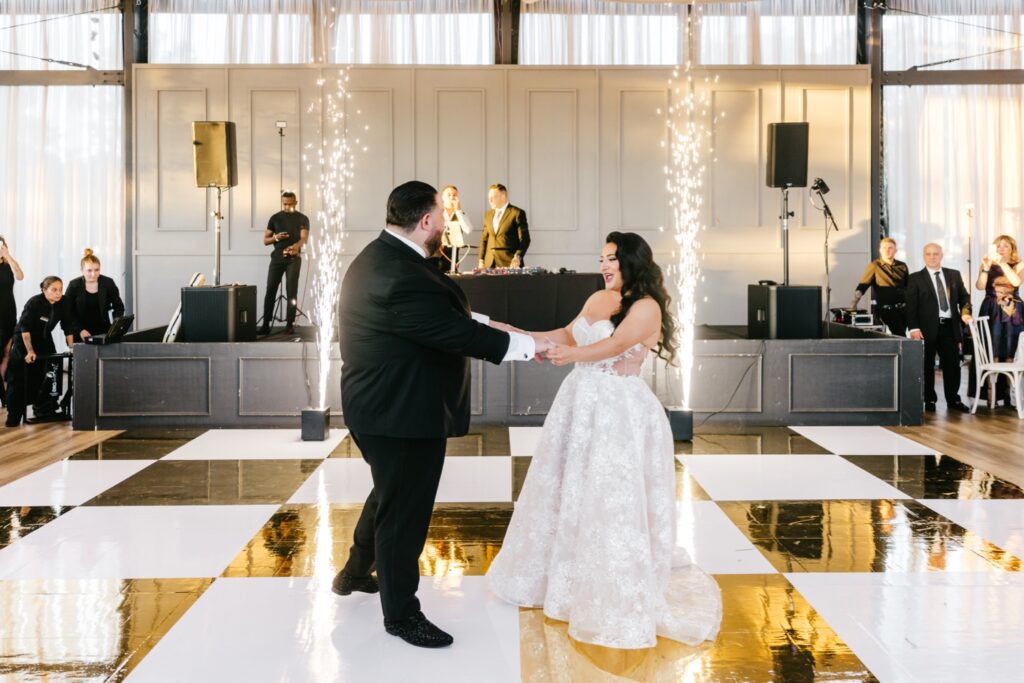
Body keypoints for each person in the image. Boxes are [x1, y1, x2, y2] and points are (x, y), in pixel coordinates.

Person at [331, 180, 550, 648]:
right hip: (401, 413)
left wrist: (501, 326)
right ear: (428, 221)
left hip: (383, 407)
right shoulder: (400, 273)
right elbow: (455, 335)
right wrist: (531, 347)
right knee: (404, 512)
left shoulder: (385, 257)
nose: (445, 224)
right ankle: (401, 615)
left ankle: (353, 572)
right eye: (441, 217)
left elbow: (442, 316)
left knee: (389, 495)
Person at [486, 231, 722, 649]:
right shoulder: (597, 299)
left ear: (632, 261)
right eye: (601, 259)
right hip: (579, 402)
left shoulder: (647, 307)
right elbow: (567, 333)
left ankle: (613, 590)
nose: (604, 266)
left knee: (610, 496)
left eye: (611, 258)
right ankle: (564, 582)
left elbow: (616, 344)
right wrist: (521, 336)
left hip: (620, 411)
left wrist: (569, 357)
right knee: (568, 487)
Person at [906, 243, 972, 412]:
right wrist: (913, 328)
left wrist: (965, 312)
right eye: (928, 254)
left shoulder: (954, 275)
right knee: (927, 365)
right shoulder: (915, 278)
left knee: (952, 365)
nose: (932, 256)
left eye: (936, 253)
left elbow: (965, 297)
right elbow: (911, 306)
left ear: (941, 255)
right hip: (925, 329)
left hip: (949, 327)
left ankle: (953, 400)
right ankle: (929, 400)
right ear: (924, 256)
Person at [4, 276, 74, 427]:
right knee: (18, 376)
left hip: (44, 337)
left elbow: (67, 326)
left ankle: (44, 407)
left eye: (61, 289)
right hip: (24, 339)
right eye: (54, 290)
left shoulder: (63, 302)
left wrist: (72, 347)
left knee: (51, 369)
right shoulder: (34, 302)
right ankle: (14, 413)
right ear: (44, 290)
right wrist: (30, 351)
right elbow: (25, 328)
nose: (58, 293)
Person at [974, 234, 1024, 407]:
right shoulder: (987, 264)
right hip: (991, 307)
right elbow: (980, 286)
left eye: (1005, 246)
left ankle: (1010, 396)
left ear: (1012, 249)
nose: (1001, 249)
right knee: (991, 350)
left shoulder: (1019, 264)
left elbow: (1016, 281)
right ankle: (991, 396)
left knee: (1011, 351)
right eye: (998, 246)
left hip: (1012, 310)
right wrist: (986, 268)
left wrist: (1003, 263)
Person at [260, 191, 309, 336]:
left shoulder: (303, 218)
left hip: (293, 259)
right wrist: (276, 237)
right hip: (277, 258)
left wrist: (296, 247)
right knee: (270, 291)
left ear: (296, 202)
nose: (287, 206)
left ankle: (290, 324)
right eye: (285, 204)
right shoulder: (275, 218)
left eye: (290, 203)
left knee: (291, 291)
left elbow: (304, 238)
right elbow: (265, 240)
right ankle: (265, 325)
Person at [63, 248, 126, 342]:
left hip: (104, 331)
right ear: (82, 270)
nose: (93, 274)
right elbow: (67, 311)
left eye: (97, 270)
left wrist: (115, 325)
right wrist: (80, 330)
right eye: (89, 270)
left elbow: (118, 306)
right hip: (80, 332)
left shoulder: (108, 283)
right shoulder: (74, 285)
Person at [851, 237, 909, 335]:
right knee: (901, 335)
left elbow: (908, 287)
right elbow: (863, 285)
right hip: (886, 309)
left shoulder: (902, 266)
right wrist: (854, 303)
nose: (887, 250)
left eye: (890, 247)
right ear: (880, 250)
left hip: (904, 309)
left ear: (895, 250)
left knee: (901, 334)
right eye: (884, 247)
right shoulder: (874, 266)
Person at [478, 183, 530, 269]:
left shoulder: (517, 213)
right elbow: (484, 239)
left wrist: (517, 257)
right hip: (489, 264)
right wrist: (481, 260)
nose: (490, 200)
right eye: (489, 197)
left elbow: (525, 239)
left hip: (509, 263)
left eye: (493, 197)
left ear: (503, 196)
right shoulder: (488, 215)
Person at [0, 236, 25, 408]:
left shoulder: (8, 265)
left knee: (7, 353)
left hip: (9, 313)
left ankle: (4, 393)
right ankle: (2, 394)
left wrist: (8, 256)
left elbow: (20, 276)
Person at [439, 184, 474, 272]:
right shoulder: (437, 212)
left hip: (452, 255)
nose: (452, 197)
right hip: (436, 254)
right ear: (443, 197)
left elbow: (468, 229)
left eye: (454, 195)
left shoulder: (460, 214)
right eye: (449, 195)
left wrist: (458, 210)